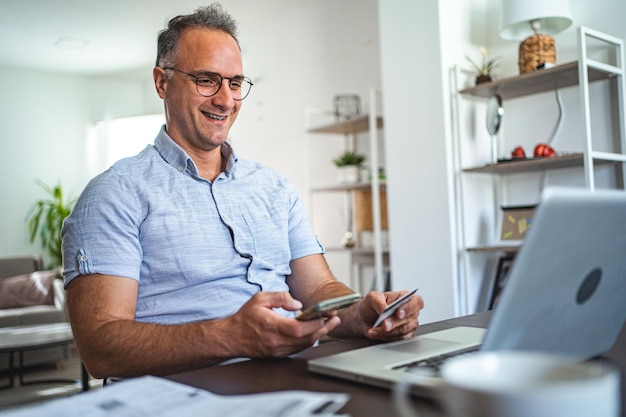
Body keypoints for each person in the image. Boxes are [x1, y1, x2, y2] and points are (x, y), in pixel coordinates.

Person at [62, 3, 424, 380]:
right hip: (185, 398)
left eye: (235, 83)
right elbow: (100, 348)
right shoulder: (113, 194)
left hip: (298, 378)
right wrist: (230, 337)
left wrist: (359, 314)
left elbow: (317, 287)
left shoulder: (274, 188)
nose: (225, 99)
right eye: (207, 80)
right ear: (162, 82)